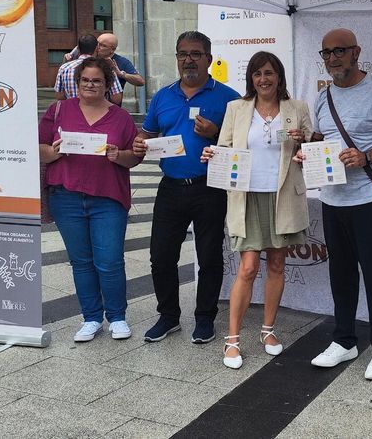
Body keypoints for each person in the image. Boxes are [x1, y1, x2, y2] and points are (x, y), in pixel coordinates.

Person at [297, 28, 372, 380]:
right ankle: (344, 341)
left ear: (356, 52)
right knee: (341, 275)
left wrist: (367, 156)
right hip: (333, 200)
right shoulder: (323, 96)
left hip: (368, 201)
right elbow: (322, 138)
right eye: (326, 53)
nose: (332, 58)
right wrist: (308, 153)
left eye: (340, 51)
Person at [201, 51, 311, 370]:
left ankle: (267, 330)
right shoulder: (236, 108)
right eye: (257, 73)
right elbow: (224, 148)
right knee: (248, 268)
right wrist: (213, 154)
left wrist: (302, 144)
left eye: (269, 72)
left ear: (279, 77)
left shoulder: (297, 109)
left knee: (276, 264)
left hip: (283, 198)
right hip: (246, 197)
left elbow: (308, 150)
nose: (264, 79)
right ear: (251, 78)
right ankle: (232, 339)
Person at [133, 31, 240, 345]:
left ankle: (204, 318)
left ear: (208, 58)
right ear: (177, 58)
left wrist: (216, 132)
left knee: (209, 257)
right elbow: (149, 134)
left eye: (195, 54)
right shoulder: (163, 96)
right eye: (182, 54)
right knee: (161, 256)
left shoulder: (229, 97)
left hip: (210, 188)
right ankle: (168, 317)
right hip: (171, 187)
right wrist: (142, 144)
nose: (188, 60)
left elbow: (241, 147)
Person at [38, 56, 141, 342]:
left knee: (109, 260)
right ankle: (91, 317)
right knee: (81, 261)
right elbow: (38, 148)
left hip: (107, 198)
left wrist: (118, 156)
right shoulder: (59, 110)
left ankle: (117, 317)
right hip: (66, 196)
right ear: (77, 82)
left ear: (108, 84)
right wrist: (54, 152)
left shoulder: (121, 118)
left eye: (97, 80)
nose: (90, 85)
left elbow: (135, 157)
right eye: (85, 80)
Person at [65, 32, 145, 99]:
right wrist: (66, 60)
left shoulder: (121, 62)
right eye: (97, 44)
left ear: (112, 50)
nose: (98, 47)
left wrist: (121, 74)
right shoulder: (88, 57)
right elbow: (64, 72)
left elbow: (140, 81)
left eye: (103, 45)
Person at [56, 33, 123, 105]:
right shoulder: (106, 68)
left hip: (72, 112)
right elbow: (116, 98)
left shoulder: (64, 68)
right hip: (98, 112)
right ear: (97, 48)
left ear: (78, 49)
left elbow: (60, 96)